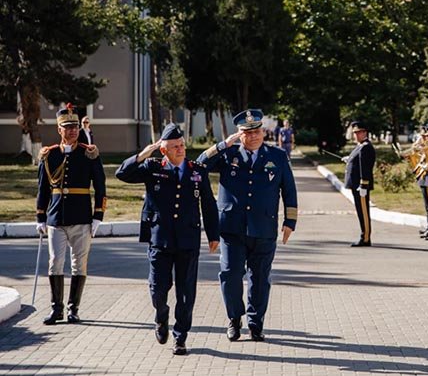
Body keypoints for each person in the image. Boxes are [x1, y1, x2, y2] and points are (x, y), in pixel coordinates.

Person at [116, 124, 219, 355]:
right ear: (164, 150)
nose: (181, 149)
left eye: (182, 145)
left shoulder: (197, 170)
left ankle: (180, 336)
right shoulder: (153, 168)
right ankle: (161, 316)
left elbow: (209, 205)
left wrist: (214, 235)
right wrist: (144, 154)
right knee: (158, 288)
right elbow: (122, 173)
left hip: (188, 240)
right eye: (175, 147)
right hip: (159, 239)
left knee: (186, 292)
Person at [198, 109, 298, 342]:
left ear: (263, 132)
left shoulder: (278, 156)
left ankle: (255, 322)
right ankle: (234, 319)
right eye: (246, 132)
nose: (253, 136)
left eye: (257, 131)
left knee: (260, 278)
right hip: (232, 228)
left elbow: (289, 190)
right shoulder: (227, 155)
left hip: (264, 228)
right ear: (238, 134)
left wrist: (289, 221)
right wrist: (223, 144)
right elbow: (200, 165)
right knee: (230, 274)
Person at [36, 103, 106, 325]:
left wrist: (97, 216)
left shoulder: (89, 153)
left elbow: (101, 186)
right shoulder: (50, 155)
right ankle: (56, 309)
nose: (73, 130)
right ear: (59, 130)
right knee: (55, 261)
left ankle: (73, 309)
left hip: (82, 217)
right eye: (68, 127)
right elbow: (43, 188)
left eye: (75, 126)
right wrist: (40, 216)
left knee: (79, 264)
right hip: (56, 218)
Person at [343, 121, 376, 246]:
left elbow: (365, 168)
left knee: (364, 212)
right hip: (356, 185)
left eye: (359, 132)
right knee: (360, 211)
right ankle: (364, 235)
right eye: (355, 133)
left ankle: (366, 237)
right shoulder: (360, 146)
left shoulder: (366, 147)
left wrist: (363, 185)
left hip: (361, 186)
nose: (356, 135)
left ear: (364, 133)